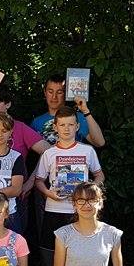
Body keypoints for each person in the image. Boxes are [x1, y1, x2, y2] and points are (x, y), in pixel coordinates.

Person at [34, 106, 105, 250]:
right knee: (52, 250)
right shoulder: (49, 153)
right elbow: (39, 180)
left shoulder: (87, 150)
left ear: (77, 127)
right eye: (62, 125)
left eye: (71, 124)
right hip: (54, 209)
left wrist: (89, 192)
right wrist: (48, 193)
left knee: (80, 250)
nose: (66, 129)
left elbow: (100, 175)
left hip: (80, 210)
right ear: (55, 127)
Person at [30, 73, 105, 147]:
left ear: (66, 94)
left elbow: (100, 143)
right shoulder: (36, 122)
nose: (54, 97)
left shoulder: (77, 117)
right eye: (50, 92)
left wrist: (86, 111)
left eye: (59, 92)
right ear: (45, 92)